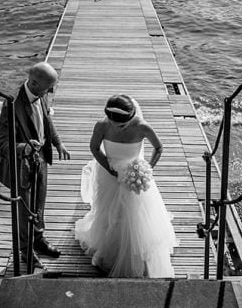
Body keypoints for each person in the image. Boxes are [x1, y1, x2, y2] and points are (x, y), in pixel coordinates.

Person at [74, 94, 178, 278]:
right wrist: (108, 168)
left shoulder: (142, 126)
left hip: (135, 177)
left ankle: (137, 250)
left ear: (131, 117)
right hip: (109, 175)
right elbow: (94, 148)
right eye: (114, 123)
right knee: (108, 211)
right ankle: (111, 248)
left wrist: (147, 168)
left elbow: (159, 147)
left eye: (122, 125)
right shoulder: (102, 126)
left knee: (136, 214)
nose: (117, 128)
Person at [0, 61, 70, 270]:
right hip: (22, 167)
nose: (52, 91)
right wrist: (24, 149)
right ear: (35, 84)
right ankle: (25, 251)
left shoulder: (41, 94)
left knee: (39, 203)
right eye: (49, 87)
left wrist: (57, 142)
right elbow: (1, 145)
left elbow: (46, 120)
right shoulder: (12, 105)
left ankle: (39, 239)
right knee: (24, 209)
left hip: (40, 160)